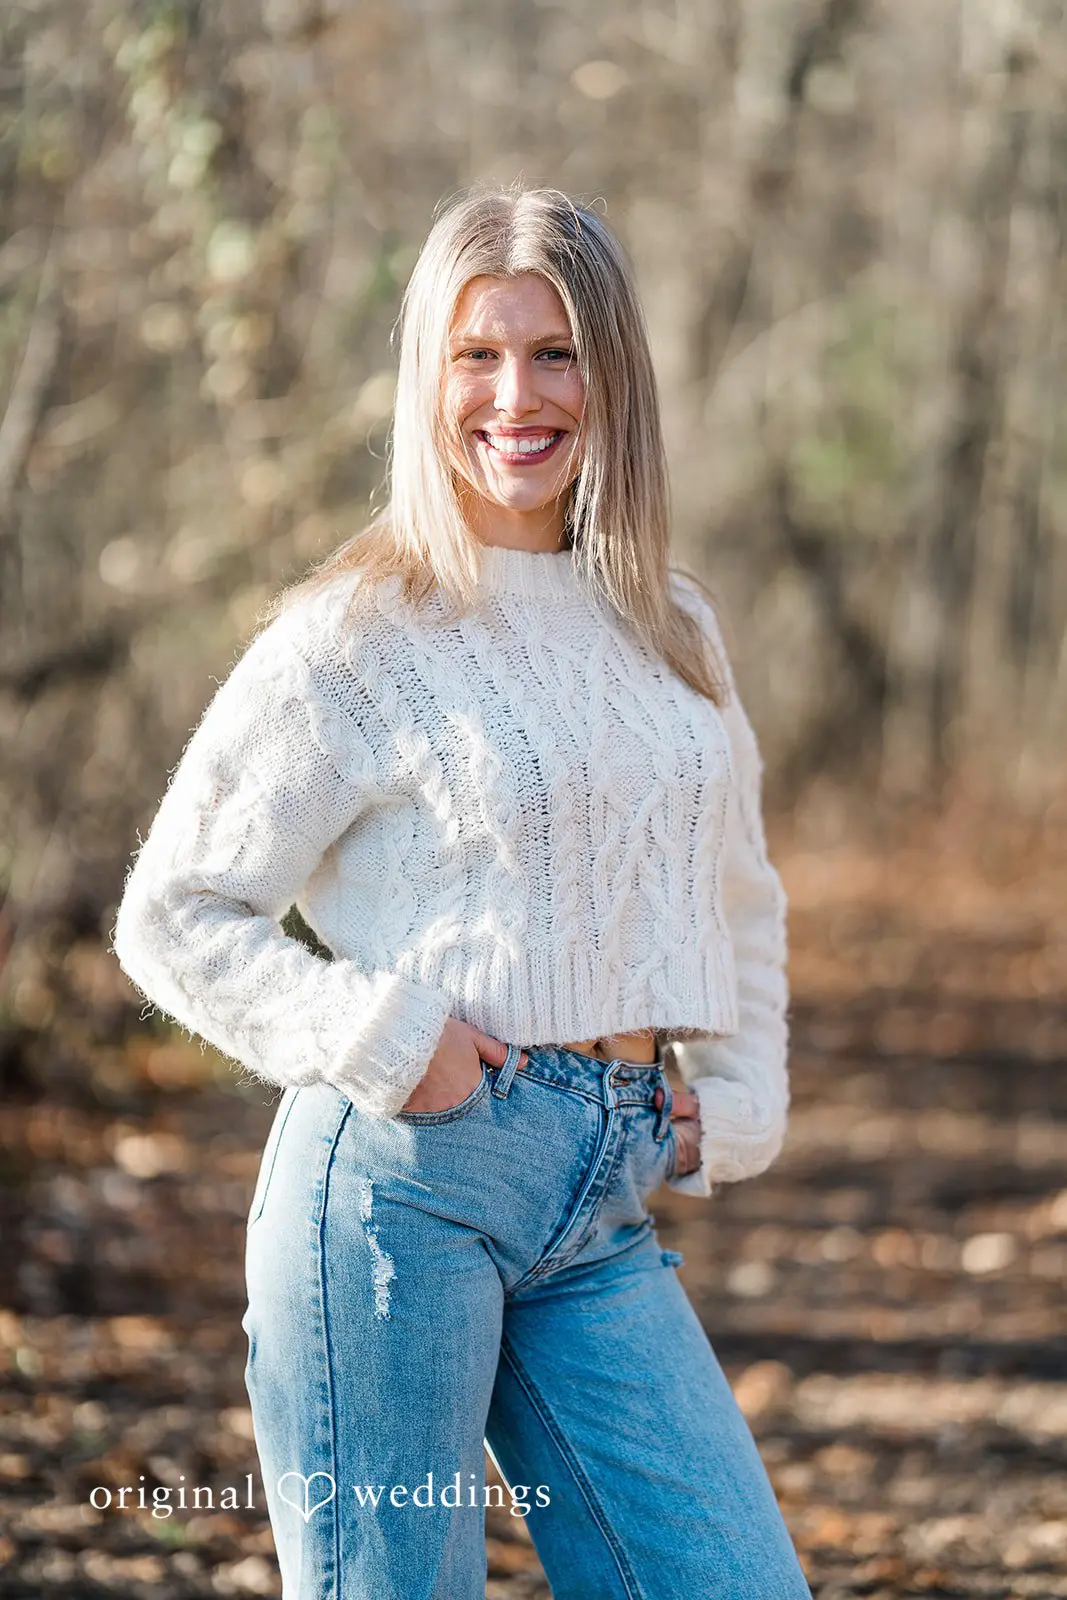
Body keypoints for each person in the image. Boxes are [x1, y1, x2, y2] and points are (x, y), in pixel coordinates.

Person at [112, 183, 811, 1599]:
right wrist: (381, 1037)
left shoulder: (673, 625)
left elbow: (735, 889)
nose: (516, 397)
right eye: (477, 355)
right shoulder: (355, 636)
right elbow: (174, 913)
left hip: (604, 1196)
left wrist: (738, 1102)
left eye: (556, 355)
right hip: (401, 1188)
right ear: (427, 376)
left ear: (614, 377)